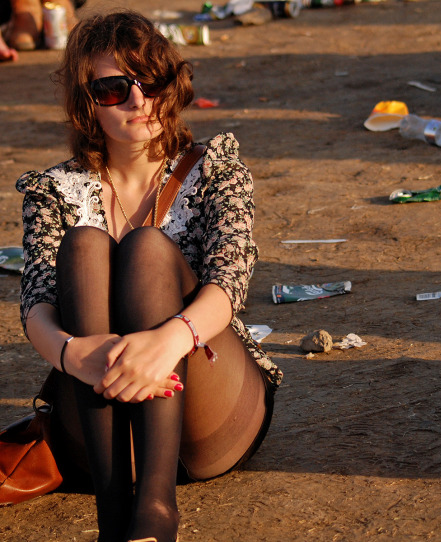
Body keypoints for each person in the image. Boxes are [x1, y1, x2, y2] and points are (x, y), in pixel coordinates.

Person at [16, 10, 282, 542]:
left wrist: (167, 341)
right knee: (86, 244)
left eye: (151, 81)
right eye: (114, 89)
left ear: (170, 83)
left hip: (210, 408)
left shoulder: (216, 167)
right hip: (99, 412)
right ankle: (114, 513)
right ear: (86, 102)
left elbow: (230, 281)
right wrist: (74, 355)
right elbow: (36, 306)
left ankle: (157, 510)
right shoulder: (54, 191)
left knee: (146, 249)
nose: (139, 100)